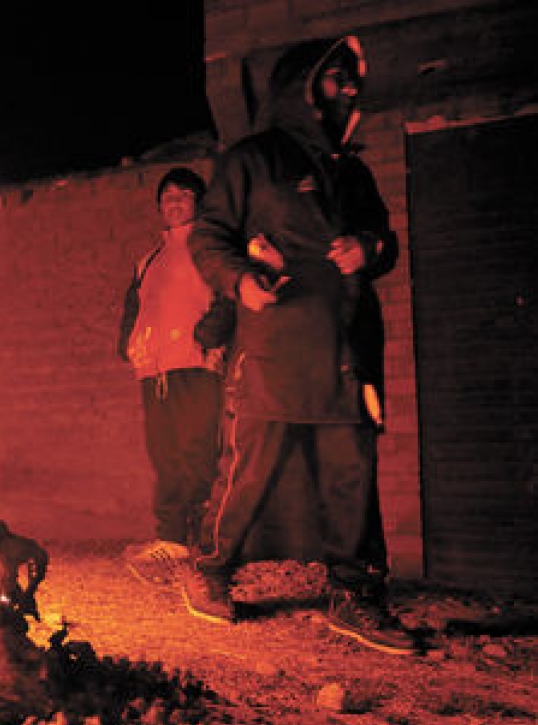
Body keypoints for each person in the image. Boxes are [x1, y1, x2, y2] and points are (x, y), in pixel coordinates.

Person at [184, 35, 415, 654]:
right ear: (303, 88)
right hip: (274, 345)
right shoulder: (252, 160)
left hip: (347, 349)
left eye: (351, 79)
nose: (350, 88)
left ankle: (354, 594)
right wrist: (239, 282)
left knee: (352, 476)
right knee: (249, 470)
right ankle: (210, 572)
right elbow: (208, 236)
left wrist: (371, 249)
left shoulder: (354, 171)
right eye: (337, 76)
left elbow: (385, 240)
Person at [117, 167, 226, 562]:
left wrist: (207, 336)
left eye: (184, 194)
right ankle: (172, 538)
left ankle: (198, 538)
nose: (175, 202)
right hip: (155, 370)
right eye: (167, 197)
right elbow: (134, 306)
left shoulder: (210, 248)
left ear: (199, 202)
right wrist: (129, 345)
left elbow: (228, 298)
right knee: (163, 453)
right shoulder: (148, 260)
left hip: (196, 365)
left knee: (197, 452)